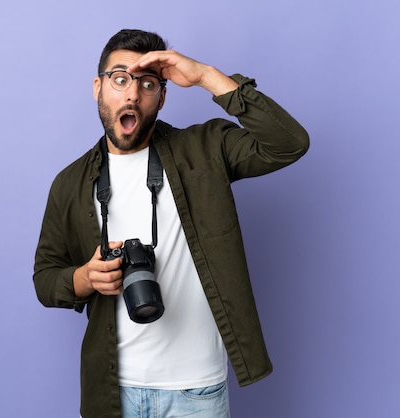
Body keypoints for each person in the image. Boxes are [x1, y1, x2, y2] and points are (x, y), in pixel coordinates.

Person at [33, 29, 309, 418]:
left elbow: (289, 143)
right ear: (98, 87)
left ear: (162, 96)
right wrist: (84, 278)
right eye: (120, 78)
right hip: (112, 393)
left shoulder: (206, 149)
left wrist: (205, 76)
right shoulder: (70, 183)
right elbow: (44, 278)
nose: (131, 94)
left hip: (196, 391)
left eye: (147, 83)